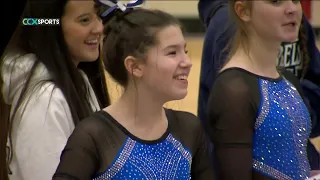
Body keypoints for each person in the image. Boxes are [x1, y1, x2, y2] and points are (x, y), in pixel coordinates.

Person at [52, 2, 214, 179]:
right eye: (172, 53)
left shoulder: (189, 128)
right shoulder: (93, 136)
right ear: (134, 66)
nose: (187, 62)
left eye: (185, 51)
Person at [197, 0, 320, 171]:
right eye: (276, 1)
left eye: (295, 0)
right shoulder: (234, 87)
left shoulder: (289, 80)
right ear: (243, 11)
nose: (292, 8)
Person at [0, 0, 111, 179]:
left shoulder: (78, 81)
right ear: (51, 27)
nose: (99, 28)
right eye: (84, 20)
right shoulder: (45, 101)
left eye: (98, 16)